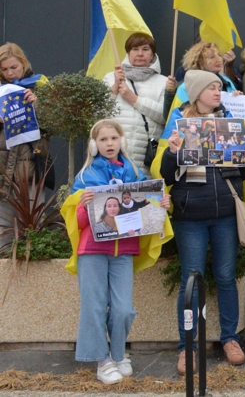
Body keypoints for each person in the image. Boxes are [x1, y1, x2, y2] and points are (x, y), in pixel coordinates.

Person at [154, 70, 245, 373]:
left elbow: (242, 172)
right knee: (192, 280)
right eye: (212, 87)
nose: (217, 92)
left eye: (219, 87)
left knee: (226, 277)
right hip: (190, 216)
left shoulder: (231, 123)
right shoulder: (178, 124)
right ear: (196, 93)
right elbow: (166, 176)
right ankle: (187, 346)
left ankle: (230, 339)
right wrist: (172, 153)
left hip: (225, 214)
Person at [64, 120, 171, 385]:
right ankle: (102, 361)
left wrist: (161, 204)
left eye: (113, 138)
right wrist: (83, 206)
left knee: (124, 309)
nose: (109, 143)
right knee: (94, 306)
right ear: (94, 145)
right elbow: (77, 221)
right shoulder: (85, 177)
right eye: (103, 139)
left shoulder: (134, 172)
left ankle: (118, 354)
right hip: (92, 250)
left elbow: (147, 212)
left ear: (121, 140)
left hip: (124, 250)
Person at [102, 33, 168, 168]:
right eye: (135, 49)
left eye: (145, 49)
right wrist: (114, 87)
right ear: (128, 53)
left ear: (152, 55)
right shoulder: (110, 78)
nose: (140, 54)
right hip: (114, 156)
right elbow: (99, 114)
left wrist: (134, 99)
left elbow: (164, 117)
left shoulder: (164, 82)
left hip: (145, 158)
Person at [0, 42, 48, 185]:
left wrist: (37, 105)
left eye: (14, 67)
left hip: (30, 167)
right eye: (4, 69)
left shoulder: (40, 85)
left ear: (24, 62)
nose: (10, 73)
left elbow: (55, 126)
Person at [163, 41, 241, 119]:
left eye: (219, 55)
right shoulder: (186, 87)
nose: (218, 59)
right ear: (199, 61)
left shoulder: (228, 82)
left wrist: (237, 97)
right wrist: (169, 93)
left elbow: (234, 115)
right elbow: (173, 117)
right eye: (212, 57)